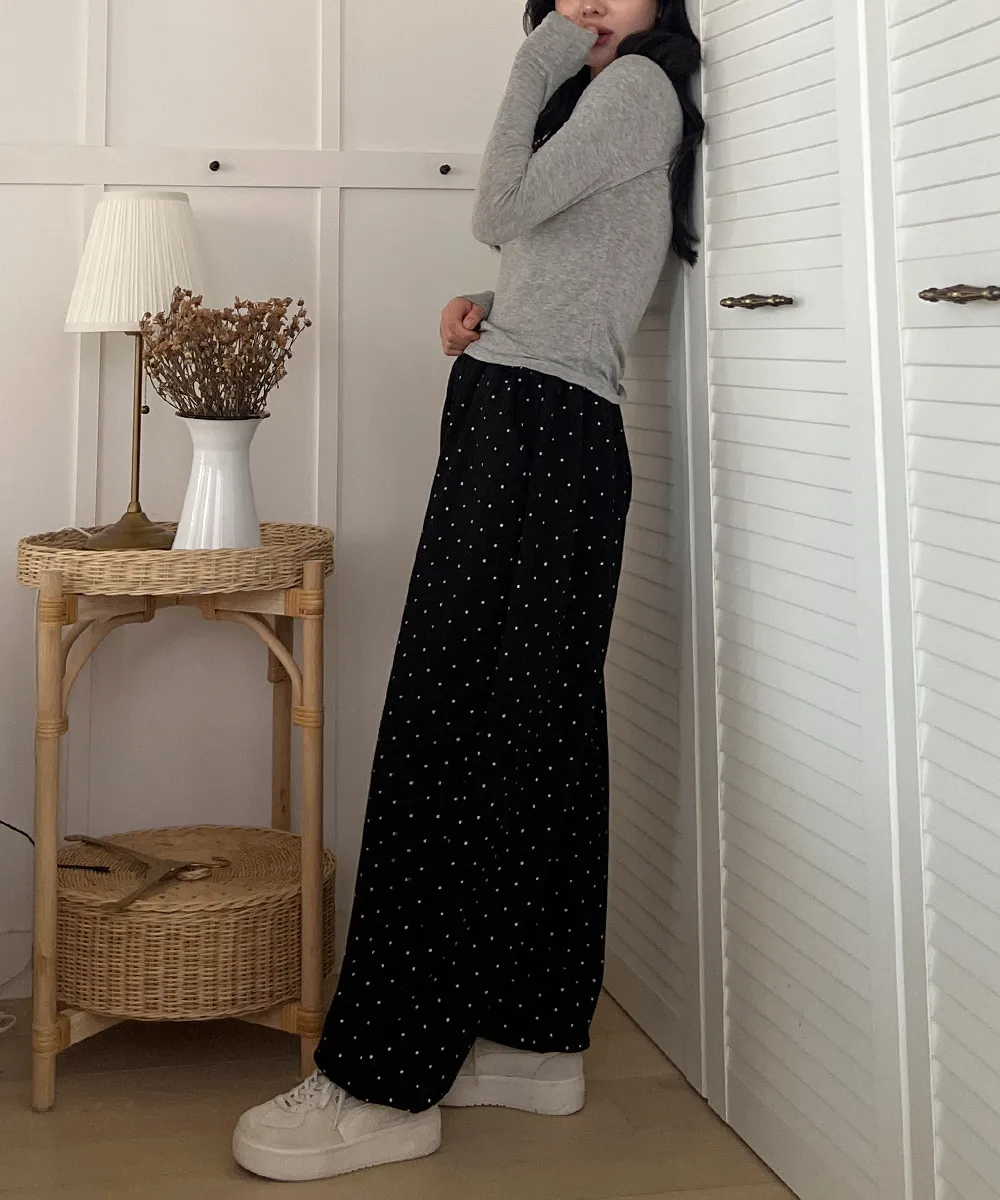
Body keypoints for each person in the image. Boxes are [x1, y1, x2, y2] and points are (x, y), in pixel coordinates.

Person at [233, 0, 703, 1183]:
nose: (590, 2)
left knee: (451, 736)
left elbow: (496, 211)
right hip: (542, 421)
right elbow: (578, 258)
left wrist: (536, 57)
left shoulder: (628, 87)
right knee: (535, 738)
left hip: (534, 434)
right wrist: (498, 308)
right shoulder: (617, 103)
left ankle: (385, 1080)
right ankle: (529, 1039)